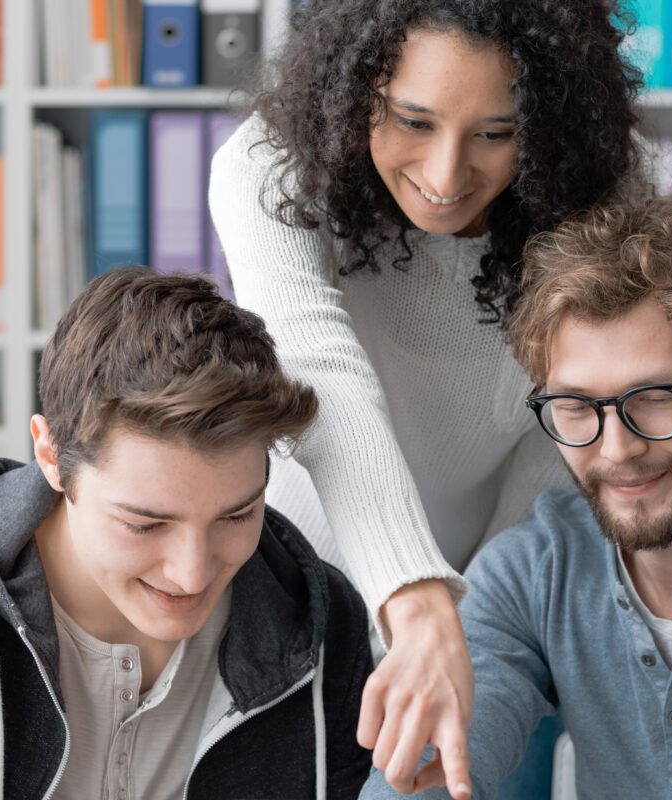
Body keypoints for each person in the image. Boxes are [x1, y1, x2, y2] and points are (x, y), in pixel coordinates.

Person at [208, 2, 641, 794]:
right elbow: (315, 368)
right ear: (354, 85)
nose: (446, 177)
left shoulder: (595, 205)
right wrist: (413, 597)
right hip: (281, 594)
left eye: (496, 133)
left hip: (495, 606)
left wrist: (473, 623)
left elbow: (566, 429)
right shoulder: (269, 167)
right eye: (413, 119)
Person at [359, 195, 672, 799]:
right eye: (576, 405)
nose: (615, 450)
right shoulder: (537, 569)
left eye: (655, 397)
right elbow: (435, 760)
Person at [0, 268, 373, 799]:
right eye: (145, 524)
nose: (191, 574)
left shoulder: (326, 627)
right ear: (51, 456)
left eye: (236, 515)